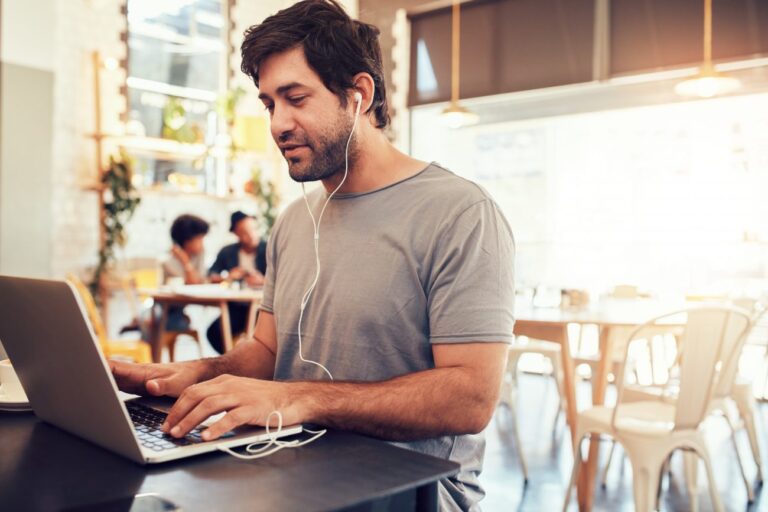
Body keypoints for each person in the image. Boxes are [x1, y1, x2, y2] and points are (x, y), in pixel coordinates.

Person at [110, 1, 515, 510]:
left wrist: (300, 398)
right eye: (268, 104)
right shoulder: (294, 222)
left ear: (359, 95)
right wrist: (195, 374)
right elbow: (264, 352)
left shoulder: (460, 213)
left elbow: (471, 397)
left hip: (414, 487)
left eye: (295, 98)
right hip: (290, 463)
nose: (278, 124)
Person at [206, 211, 268, 353]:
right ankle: (233, 363)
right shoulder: (228, 252)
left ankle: (250, 365)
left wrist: (263, 281)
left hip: (264, 309)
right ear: (236, 234)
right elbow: (211, 275)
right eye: (244, 232)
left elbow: (285, 278)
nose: (251, 235)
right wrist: (228, 277)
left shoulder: (269, 248)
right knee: (214, 332)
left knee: (263, 336)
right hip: (236, 308)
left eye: (253, 229)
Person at [161, 214, 209, 331]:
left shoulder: (198, 254)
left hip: (179, 310)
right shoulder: (169, 261)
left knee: (183, 322)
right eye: (200, 238)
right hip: (165, 311)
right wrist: (185, 261)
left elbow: (201, 280)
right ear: (188, 241)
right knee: (179, 323)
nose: (202, 243)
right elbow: (193, 283)